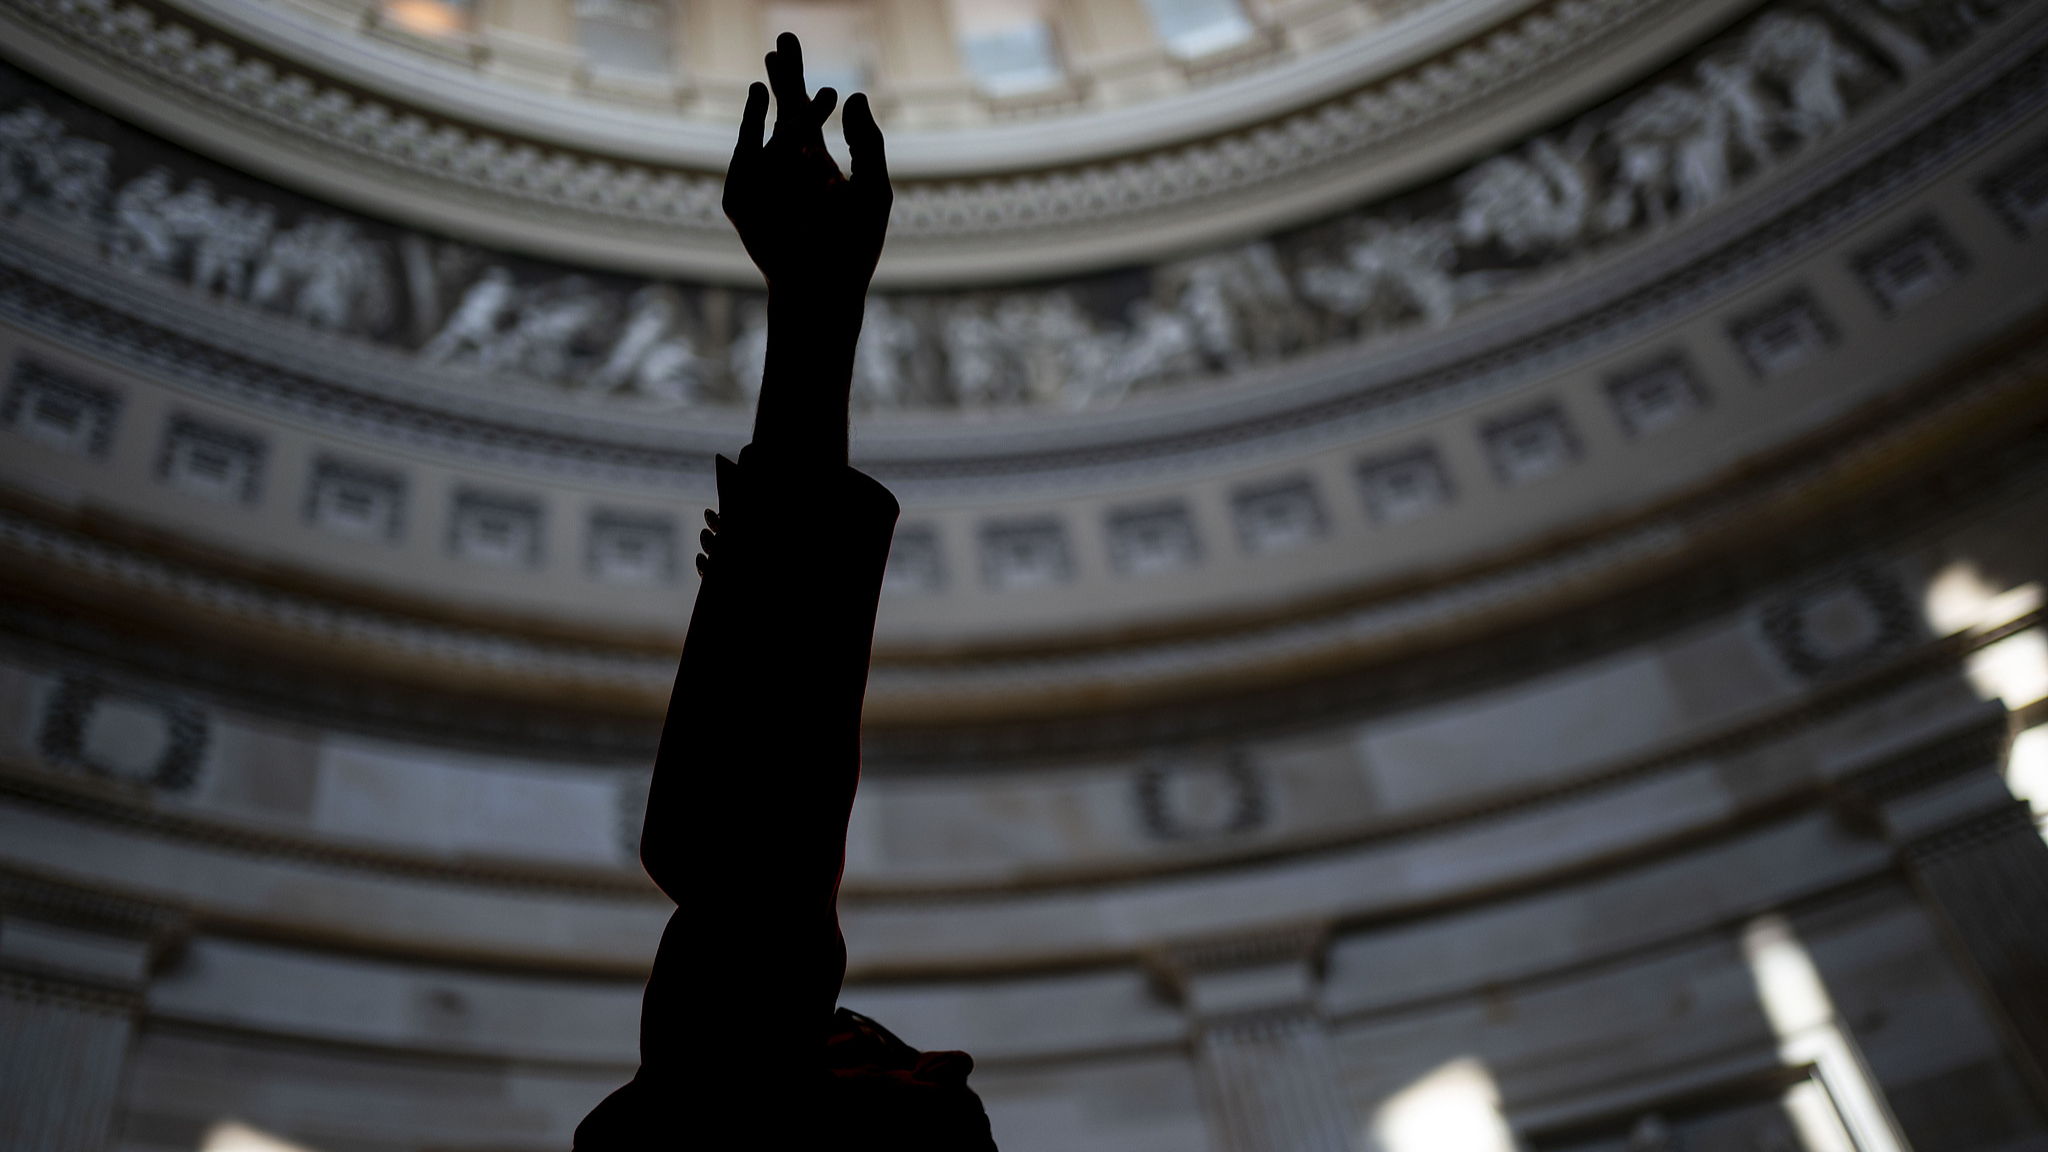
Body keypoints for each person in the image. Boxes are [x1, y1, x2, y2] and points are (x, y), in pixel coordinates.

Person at [571, 33, 998, 1152]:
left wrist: (813, 317)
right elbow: (754, 873)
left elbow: (750, 873)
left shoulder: (730, 1090)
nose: (947, 1056)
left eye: (862, 1044)